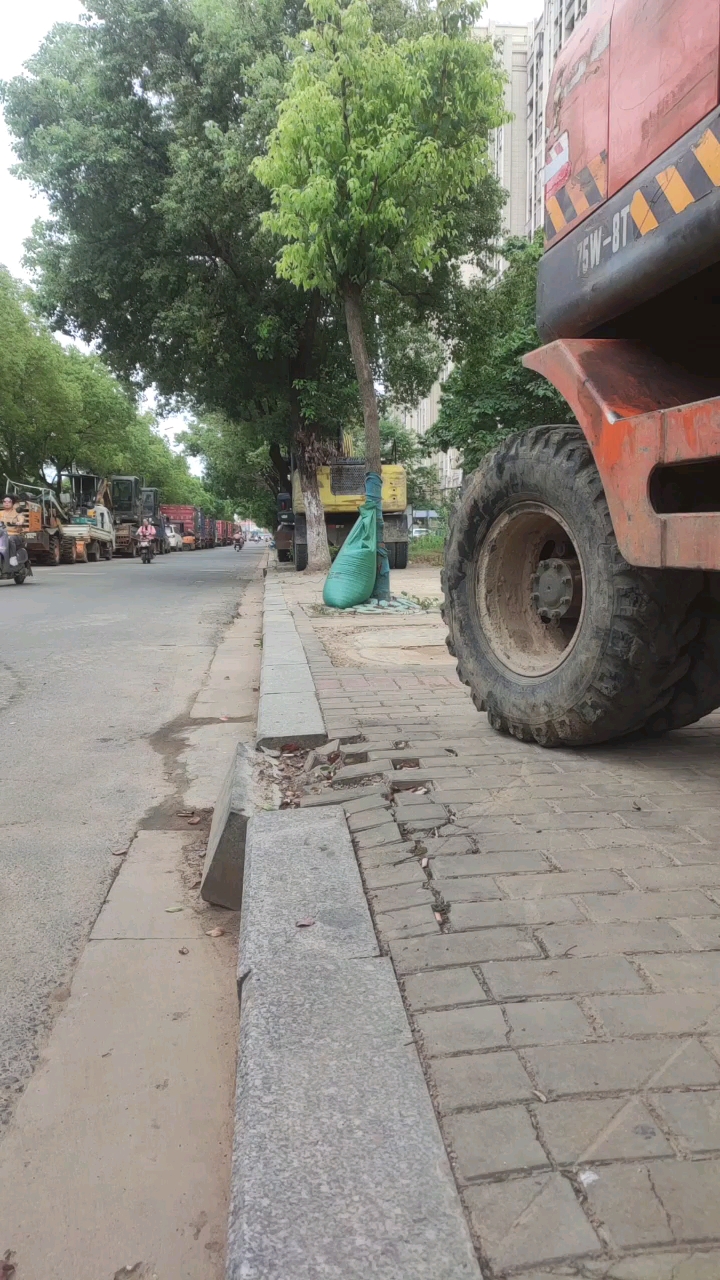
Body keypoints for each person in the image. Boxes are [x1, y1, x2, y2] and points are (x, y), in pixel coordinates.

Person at [1, 496, 25, 567]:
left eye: (9, 501)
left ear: (12, 503)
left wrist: (20, 522)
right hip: (2, 535)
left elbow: (21, 519)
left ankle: (13, 557)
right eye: (4, 501)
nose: (6, 503)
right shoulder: (1, 513)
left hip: (14, 535)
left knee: (9, 539)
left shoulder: (17, 513)